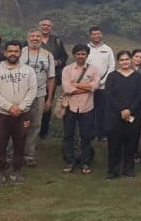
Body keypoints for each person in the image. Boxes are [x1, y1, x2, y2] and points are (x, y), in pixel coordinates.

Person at [0, 41, 37, 187]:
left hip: (22, 114)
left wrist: (21, 107)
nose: (13, 54)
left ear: (20, 53)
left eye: (16, 51)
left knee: (19, 142)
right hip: (1, 114)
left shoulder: (28, 70)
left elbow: (32, 90)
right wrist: (9, 107)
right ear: (5, 53)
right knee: (0, 143)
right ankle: (0, 173)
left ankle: (17, 171)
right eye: (10, 51)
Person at [60, 44, 101, 174]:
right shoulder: (67, 69)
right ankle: (70, 161)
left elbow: (95, 87)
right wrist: (86, 87)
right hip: (70, 107)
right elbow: (67, 89)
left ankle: (85, 162)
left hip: (87, 106)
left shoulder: (93, 69)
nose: (81, 56)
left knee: (87, 136)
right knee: (68, 135)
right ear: (74, 55)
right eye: (78, 54)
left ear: (87, 55)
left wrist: (76, 85)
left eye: (83, 54)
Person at [104, 51, 141, 179]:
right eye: (122, 60)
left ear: (131, 60)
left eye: (127, 59)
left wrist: (129, 110)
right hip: (115, 116)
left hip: (133, 115)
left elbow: (139, 95)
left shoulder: (137, 77)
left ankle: (129, 169)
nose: (125, 62)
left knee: (131, 143)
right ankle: (113, 171)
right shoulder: (112, 76)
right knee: (114, 144)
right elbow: (109, 96)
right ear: (118, 61)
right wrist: (121, 110)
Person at [19, 28, 55, 166]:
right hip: (20, 95)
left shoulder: (47, 55)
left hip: (40, 95)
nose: (35, 38)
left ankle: (29, 155)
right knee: (18, 124)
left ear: (42, 38)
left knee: (35, 125)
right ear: (28, 37)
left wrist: (49, 99)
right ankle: (14, 154)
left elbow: (51, 78)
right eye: (32, 36)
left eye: (38, 36)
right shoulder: (20, 52)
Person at [36, 18, 67, 140]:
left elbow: (64, 57)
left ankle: (43, 132)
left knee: (47, 103)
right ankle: (30, 129)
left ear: (51, 27)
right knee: (32, 104)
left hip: (51, 78)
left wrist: (58, 62)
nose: (46, 27)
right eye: (43, 25)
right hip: (34, 78)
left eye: (48, 25)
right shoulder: (33, 39)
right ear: (39, 26)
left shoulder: (57, 41)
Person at [86, 26, 115, 140]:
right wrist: (91, 83)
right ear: (90, 35)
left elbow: (111, 66)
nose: (96, 36)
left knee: (103, 111)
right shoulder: (86, 48)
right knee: (89, 110)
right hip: (88, 86)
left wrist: (101, 82)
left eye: (98, 33)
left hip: (103, 86)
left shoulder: (107, 49)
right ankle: (91, 134)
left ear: (101, 35)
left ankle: (102, 134)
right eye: (93, 34)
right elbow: (83, 66)